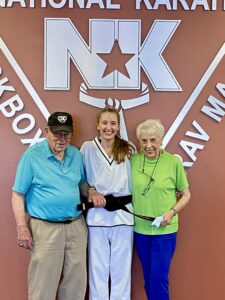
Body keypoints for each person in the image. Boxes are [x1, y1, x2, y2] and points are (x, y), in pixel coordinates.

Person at [12, 112, 94, 300]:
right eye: (57, 134)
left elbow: (81, 183)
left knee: (76, 284)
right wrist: (21, 227)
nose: (62, 139)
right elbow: (18, 194)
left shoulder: (75, 153)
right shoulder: (32, 157)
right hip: (44, 228)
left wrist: (92, 191)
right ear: (47, 131)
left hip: (76, 226)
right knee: (43, 286)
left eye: (66, 134)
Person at [131, 119, 191, 300]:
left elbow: (186, 194)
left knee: (158, 277)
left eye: (153, 140)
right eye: (144, 141)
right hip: (140, 230)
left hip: (165, 231)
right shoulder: (132, 161)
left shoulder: (173, 162)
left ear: (161, 140)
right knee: (149, 278)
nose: (148, 145)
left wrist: (171, 212)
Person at [80, 106, 134, 300]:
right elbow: (81, 179)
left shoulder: (128, 149)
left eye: (113, 123)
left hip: (123, 215)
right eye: (104, 123)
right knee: (97, 270)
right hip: (97, 216)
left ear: (118, 126)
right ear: (97, 125)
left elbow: (139, 178)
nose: (108, 127)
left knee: (121, 271)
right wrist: (91, 191)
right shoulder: (87, 148)